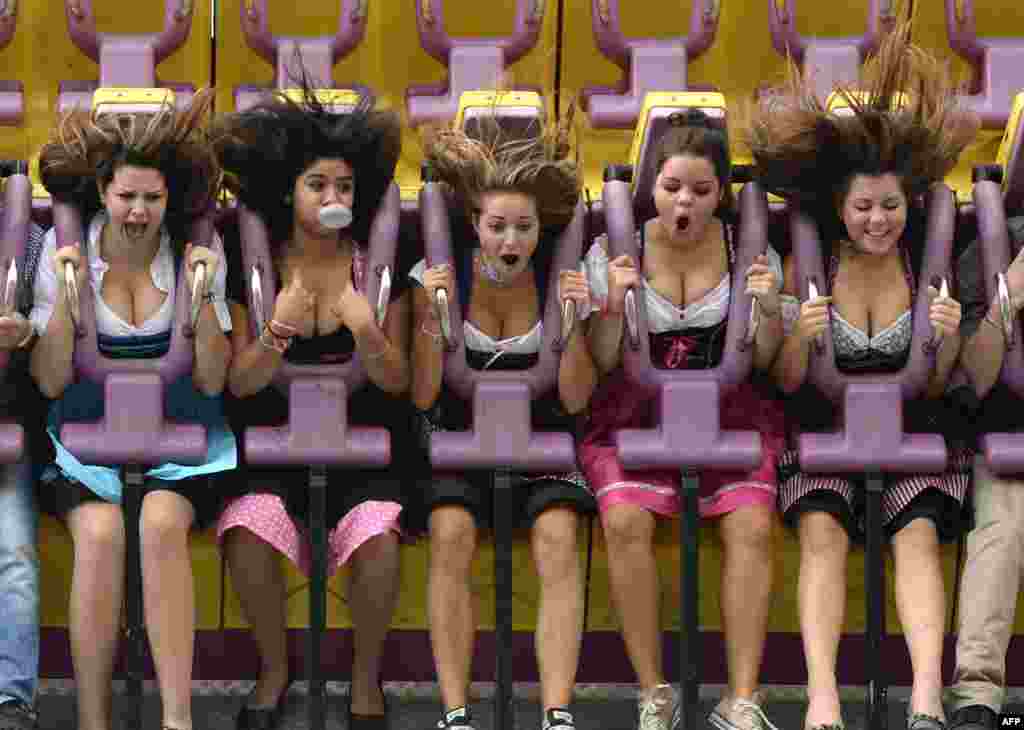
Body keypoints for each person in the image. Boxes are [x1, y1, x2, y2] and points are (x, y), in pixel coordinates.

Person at [747, 21, 975, 730]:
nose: (878, 221)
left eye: (891, 207)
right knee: (821, 530)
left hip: (913, 427)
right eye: (864, 208)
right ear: (840, 211)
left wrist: (943, 343)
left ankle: (927, 698)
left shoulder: (922, 265)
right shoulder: (809, 266)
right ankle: (822, 700)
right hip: (824, 428)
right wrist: (792, 337)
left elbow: (937, 388)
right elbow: (782, 382)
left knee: (915, 537)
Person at [30, 90, 235, 730]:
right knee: (99, 533)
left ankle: (178, 721)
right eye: (127, 196)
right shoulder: (69, 256)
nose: (140, 211)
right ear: (103, 190)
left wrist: (201, 301)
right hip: (87, 427)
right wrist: (65, 301)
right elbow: (50, 379)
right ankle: (95, 722)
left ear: (169, 198)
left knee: (159, 523)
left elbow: (210, 380)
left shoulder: (196, 256)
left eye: (152, 197)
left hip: (180, 427)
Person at [211, 87, 412, 730]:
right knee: (245, 527)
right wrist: (278, 328)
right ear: (289, 192)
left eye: (345, 187)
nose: (333, 200)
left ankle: (364, 678)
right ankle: (275, 667)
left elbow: (400, 380)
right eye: (317, 184)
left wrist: (368, 330)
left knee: (378, 532)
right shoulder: (256, 268)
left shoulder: (380, 270)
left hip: (364, 440)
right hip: (274, 437)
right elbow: (240, 383)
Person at [581, 110, 787, 730]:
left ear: (720, 193)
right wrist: (612, 306)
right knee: (622, 518)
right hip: (634, 409)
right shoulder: (614, 248)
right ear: (652, 187)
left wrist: (771, 311)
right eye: (673, 188)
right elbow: (598, 359)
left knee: (752, 523)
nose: (685, 203)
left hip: (729, 408)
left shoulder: (747, 251)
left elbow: (769, 361)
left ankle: (741, 698)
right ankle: (653, 692)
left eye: (701, 190)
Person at [411, 112, 597, 730]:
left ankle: (557, 711)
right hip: (459, 433)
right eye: (497, 227)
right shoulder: (439, 278)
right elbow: (422, 393)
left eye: (523, 227)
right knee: (450, 532)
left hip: (542, 435)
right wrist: (432, 324)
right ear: (475, 227)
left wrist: (572, 327)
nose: (510, 242)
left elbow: (573, 400)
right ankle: (456, 710)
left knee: (558, 537)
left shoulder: (559, 279)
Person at [946, 217, 1024, 730]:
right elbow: (974, 376)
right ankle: (976, 698)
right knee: (1002, 529)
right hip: (1008, 436)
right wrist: (1009, 296)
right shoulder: (995, 245)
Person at [0, 220, 50, 730]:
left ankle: (11, 700)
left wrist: (27, 334)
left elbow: (51, 333)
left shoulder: (28, 240)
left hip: (7, 422)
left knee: (14, 556)